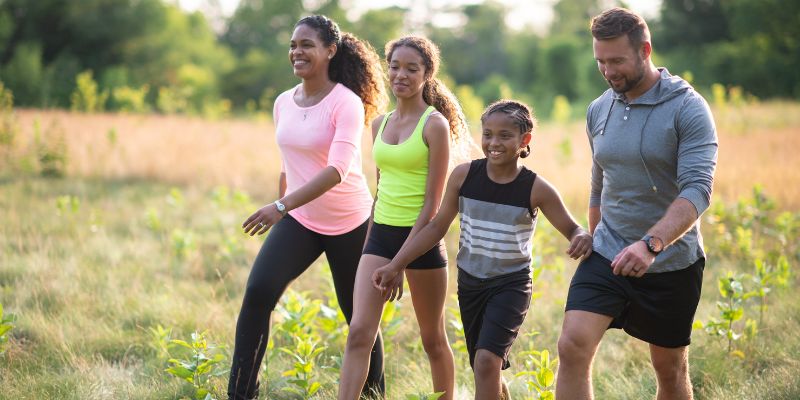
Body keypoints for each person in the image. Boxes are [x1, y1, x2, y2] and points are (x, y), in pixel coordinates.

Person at [372, 100, 594, 400]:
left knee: (487, 362)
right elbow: (436, 228)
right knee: (484, 368)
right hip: (471, 284)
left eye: (505, 135)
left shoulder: (536, 188)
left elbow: (572, 228)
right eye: (488, 134)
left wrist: (581, 235)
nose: (494, 142)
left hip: (510, 285)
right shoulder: (464, 177)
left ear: (524, 140)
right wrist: (396, 264)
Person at [555, 7, 718, 400]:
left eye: (617, 61)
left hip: (669, 261)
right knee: (572, 345)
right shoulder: (599, 108)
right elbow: (599, 182)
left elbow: (697, 190)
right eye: (600, 62)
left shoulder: (687, 108)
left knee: (670, 370)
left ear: (645, 50)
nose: (608, 71)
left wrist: (651, 244)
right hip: (608, 252)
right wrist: (594, 237)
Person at [227, 15, 388, 400]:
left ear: (330, 51)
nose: (297, 52)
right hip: (300, 218)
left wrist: (279, 206)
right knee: (258, 293)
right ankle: (240, 393)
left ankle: (373, 394)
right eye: (293, 45)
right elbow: (290, 164)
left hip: (350, 221)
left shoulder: (345, 103)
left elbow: (338, 169)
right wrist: (285, 203)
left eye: (307, 45)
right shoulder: (284, 101)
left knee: (359, 317)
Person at [337, 35, 472, 400]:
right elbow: (381, 191)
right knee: (359, 332)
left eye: (412, 69)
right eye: (395, 66)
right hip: (380, 235)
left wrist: (398, 263)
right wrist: (370, 246)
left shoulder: (434, 125)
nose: (401, 75)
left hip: (422, 241)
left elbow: (433, 204)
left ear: (427, 73)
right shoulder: (378, 124)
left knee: (432, 340)